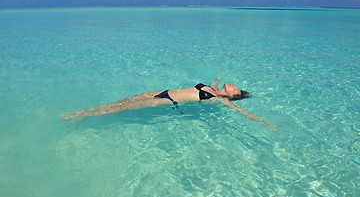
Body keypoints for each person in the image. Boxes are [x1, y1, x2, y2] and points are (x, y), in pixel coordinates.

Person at [61, 78, 264, 122]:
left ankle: (78, 116)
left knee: (119, 109)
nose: (235, 86)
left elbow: (242, 112)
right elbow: (214, 84)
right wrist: (217, 81)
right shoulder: (214, 88)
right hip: (159, 91)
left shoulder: (217, 98)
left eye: (236, 90)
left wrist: (262, 121)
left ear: (232, 96)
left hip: (165, 101)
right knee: (118, 102)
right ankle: (83, 111)